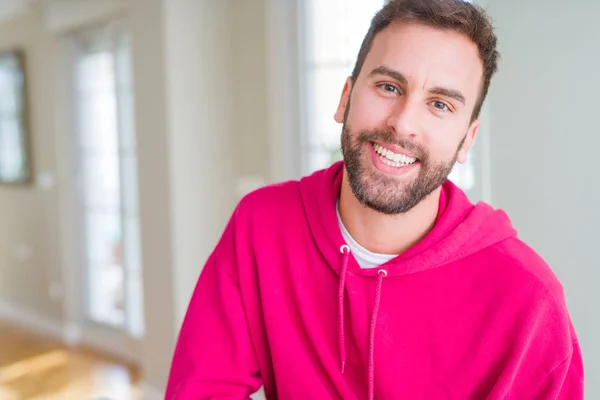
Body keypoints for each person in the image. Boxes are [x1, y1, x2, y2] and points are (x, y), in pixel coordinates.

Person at [165, 0, 584, 398]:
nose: (402, 124)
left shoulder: (529, 301)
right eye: (388, 86)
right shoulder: (261, 225)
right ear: (345, 97)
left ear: (466, 140)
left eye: (439, 104)